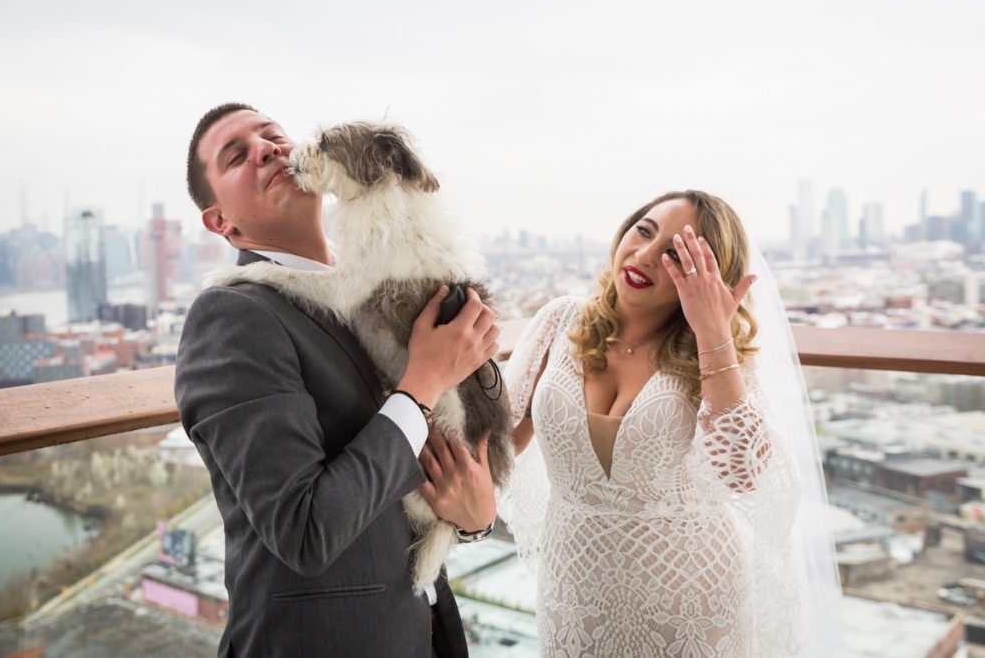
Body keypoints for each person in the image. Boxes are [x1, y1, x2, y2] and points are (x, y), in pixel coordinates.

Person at [175, 103, 498, 658]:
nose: (266, 149)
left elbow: (410, 486)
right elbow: (305, 530)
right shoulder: (232, 315)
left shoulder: (376, 296)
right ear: (220, 222)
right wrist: (422, 382)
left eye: (273, 135)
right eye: (236, 157)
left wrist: (475, 521)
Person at [499, 190, 841, 657]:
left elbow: (741, 474)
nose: (644, 256)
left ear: (708, 276)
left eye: (674, 254)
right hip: (573, 588)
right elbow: (498, 443)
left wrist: (713, 334)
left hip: (691, 604)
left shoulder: (718, 355)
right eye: (644, 231)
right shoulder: (561, 321)